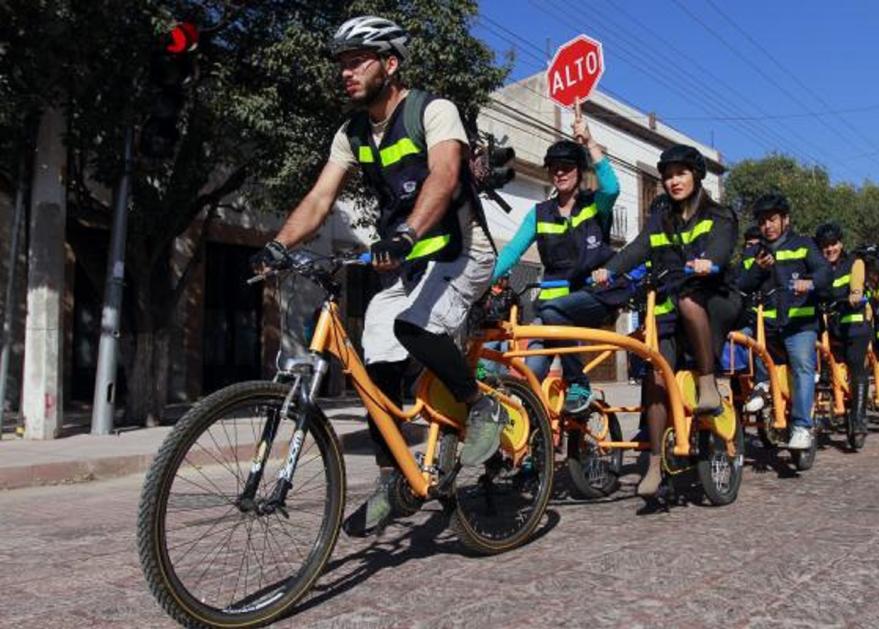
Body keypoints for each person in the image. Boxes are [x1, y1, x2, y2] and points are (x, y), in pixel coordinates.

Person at [250, 16, 502, 536]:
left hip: (461, 249)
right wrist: (278, 244)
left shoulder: (433, 110)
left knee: (415, 327)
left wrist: (406, 234)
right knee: (375, 367)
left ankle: (482, 407)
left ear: (390, 64)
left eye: (357, 61)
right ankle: (394, 481)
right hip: (411, 261)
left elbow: (445, 175)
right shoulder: (352, 133)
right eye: (341, 64)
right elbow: (321, 198)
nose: (346, 72)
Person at [593, 144, 739, 497]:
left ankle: (707, 383)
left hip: (714, 300)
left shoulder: (719, 214)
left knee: (690, 300)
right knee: (656, 376)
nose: (674, 181)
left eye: (681, 174)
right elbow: (637, 249)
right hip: (674, 306)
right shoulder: (661, 219)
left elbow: (722, 245)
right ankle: (655, 465)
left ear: (697, 176)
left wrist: (710, 262)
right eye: (668, 176)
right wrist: (608, 270)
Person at [491, 104, 620, 414]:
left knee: (554, 314)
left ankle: (579, 383)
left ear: (579, 170)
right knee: (530, 372)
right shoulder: (539, 214)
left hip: (589, 297)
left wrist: (589, 142)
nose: (559, 173)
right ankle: (534, 444)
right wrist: (485, 279)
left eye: (567, 166)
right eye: (554, 168)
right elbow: (511, 252)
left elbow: (613, 187)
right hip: (549, 305)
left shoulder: (595, 205)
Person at [737, 193, 831, 451]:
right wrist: (758, 269)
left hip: (800, 325)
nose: (768, 226)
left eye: (773, 220)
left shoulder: (803, 244)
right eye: (763, 221)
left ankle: (802, 426)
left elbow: (824, 272)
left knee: (802, 366)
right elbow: (741, 285)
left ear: (785, 220)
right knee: (739, 340)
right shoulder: (755, 252)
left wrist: (809, 283)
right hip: (767, 326)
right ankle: (763, 386)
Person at [815, 223, 870, 438]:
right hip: (830, 328)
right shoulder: (819, 267)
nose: (830, 249)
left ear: (841, 244)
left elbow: (857, 283)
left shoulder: (854, 263)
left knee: (856, 365)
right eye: (825, 246)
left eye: (833, 244)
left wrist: (855, 294)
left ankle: (858, 419)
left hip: (855, 324)